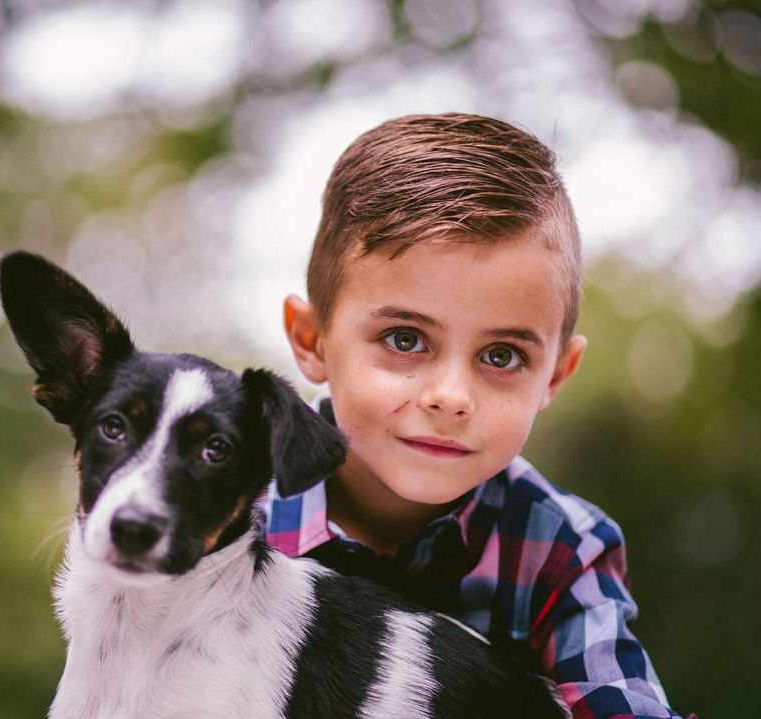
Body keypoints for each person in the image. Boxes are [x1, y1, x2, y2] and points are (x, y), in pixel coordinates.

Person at [262, 114, 692, 718]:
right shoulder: (227, 505)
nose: (451, 395)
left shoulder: (559, 548)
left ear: (555, 378)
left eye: (502, 355)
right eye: (405, 339)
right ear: (311, 341)